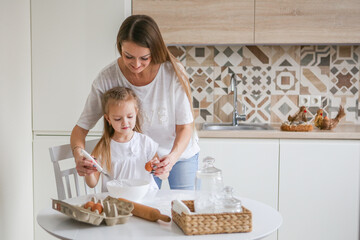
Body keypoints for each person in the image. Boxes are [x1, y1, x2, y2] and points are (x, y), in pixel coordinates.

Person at [71, 14, 200, 190]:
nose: (136, 64)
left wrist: (171, 158)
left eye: (144, 58)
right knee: (146, 211)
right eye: (128, 56)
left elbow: (185, 127)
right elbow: (81, 128)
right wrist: (79, 155)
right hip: (140, 159)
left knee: (186, 210)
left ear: (154, 51)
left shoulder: (173, 73)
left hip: (180, 153)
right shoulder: (107, 78)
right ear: (119, 47)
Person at [85, 87, 161, 190]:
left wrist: (158, 168)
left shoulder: (145, 142)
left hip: (145, 199)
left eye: (130, 117)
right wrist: (89, 172)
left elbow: (163, 175)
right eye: (118, 119)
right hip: (117, 202)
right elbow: (92, 184)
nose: (125, 122)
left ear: (136, 113)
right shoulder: (104, 147)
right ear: (108, 119)